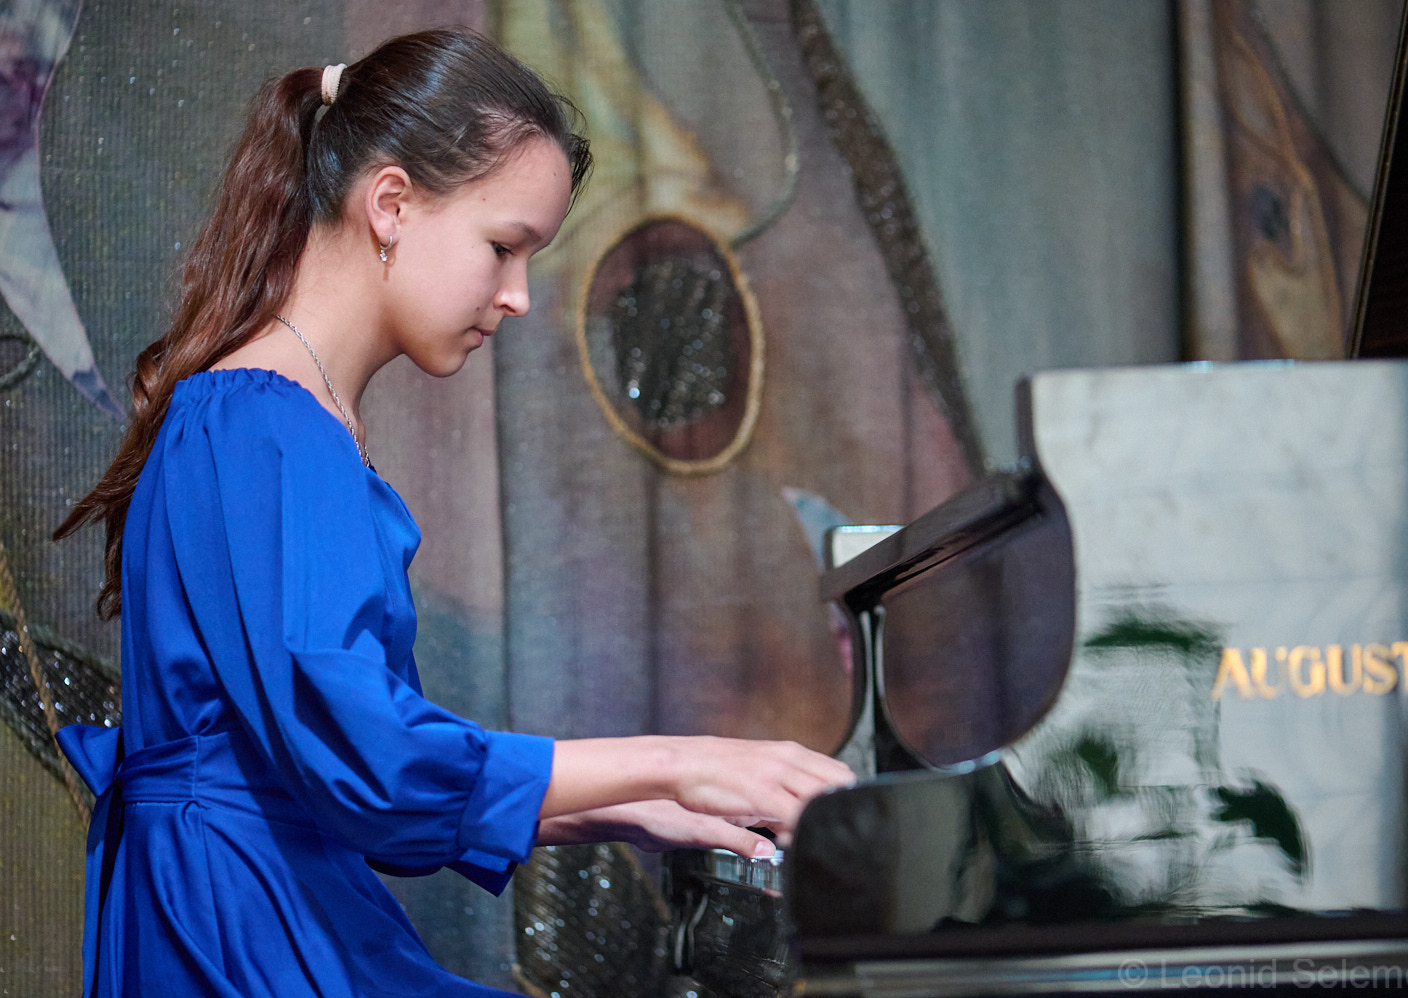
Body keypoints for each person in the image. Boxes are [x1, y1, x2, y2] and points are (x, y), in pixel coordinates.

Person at [52, 27, 854, 998]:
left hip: (252, 901)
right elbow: (371, 763)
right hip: (238, 931)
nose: (518, 297)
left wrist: (627, 808)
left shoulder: (279, 416)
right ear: (391, 203)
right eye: (503, 247)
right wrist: (680, 763)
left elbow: (354, 776)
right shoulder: (265, 420)